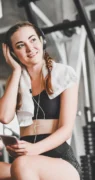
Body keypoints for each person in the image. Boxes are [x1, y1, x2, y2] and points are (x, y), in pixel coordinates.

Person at [0, 21, 82, 180]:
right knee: (21, 164)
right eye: (20, 45)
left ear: (41, 40)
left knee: (22, 164)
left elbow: (66, 130)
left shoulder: (64, 74)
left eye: (33, 40)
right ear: (13, 53)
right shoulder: (15, 79)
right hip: (26, 158)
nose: (30, 48)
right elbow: (4, 116)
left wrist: (33, 149)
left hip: (60, 160)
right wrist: (16, 71)